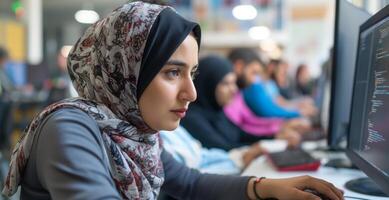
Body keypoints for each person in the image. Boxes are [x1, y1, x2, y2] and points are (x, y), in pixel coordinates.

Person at [3, 1, 344, 200]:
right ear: (126, 71)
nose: (191, 93)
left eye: (191, 74)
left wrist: (267, 188)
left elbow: (190, 182)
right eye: (171, 72)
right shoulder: (70, 127)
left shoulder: (134, 132)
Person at [160, 125, 264, 174]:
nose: (192, 95)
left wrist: (239, 156)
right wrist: (239, 163)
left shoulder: (172, 126)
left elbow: (201, 155)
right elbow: (187, 180)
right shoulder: (154, 145)